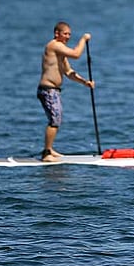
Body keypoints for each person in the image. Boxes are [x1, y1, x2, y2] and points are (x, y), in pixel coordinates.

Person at [37, 21, 94, 162]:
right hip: (48, 89)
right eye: (65, 34)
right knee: (55, 120)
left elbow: (68, 72)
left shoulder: (61, 51)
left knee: (57, 119)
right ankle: (46, 154)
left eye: (69, 34)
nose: (68, 36)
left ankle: (50, 149)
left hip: (54, 91)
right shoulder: (54, 45)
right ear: (57, 34)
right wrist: (83, 39)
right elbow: (76, 54)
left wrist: (85, 82)